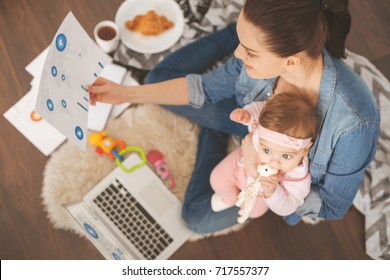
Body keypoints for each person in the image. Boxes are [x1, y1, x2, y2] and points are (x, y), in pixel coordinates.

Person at [88, 0, 380, 234]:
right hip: (245, 121)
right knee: (156, 77)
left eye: (249, 50)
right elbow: (204, 88)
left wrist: (264, 173)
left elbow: (331, 205)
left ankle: (214, 129)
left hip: (268, 169)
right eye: (241, 43)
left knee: (196, 217)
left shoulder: (355, 122)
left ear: (290, 62)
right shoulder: (257, 64)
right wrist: (123, 93)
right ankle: (235, 30)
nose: (238, 56)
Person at [210, 92, 317, 224]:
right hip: (240, 166)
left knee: (255, 212)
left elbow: (288, 206)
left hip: (260, 193)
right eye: (267, 150)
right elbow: (262, 109)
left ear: (305, 150)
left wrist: (272, 192)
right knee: (216, 178)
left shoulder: (297, 178)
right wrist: (248, 114)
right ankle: (229, 199)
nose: (274, 161)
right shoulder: (264, 129)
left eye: (286, 156)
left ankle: (241, 201)